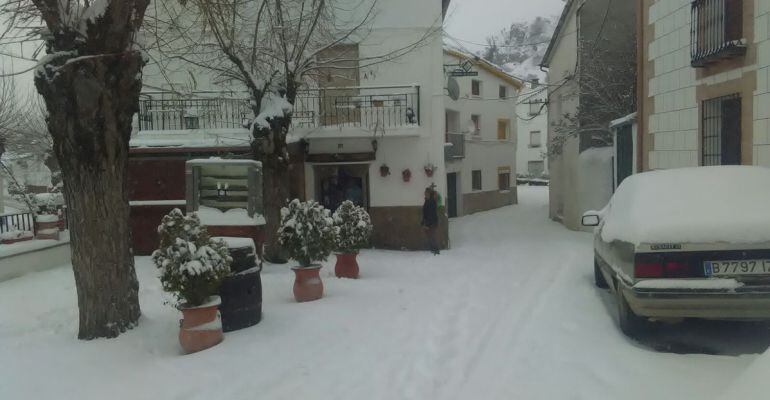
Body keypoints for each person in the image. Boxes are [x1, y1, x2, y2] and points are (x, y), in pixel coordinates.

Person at [421, 187, 440, 255]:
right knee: (429, 236)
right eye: (425, 193)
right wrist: (423, 221)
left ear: (429, 193)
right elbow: (425, 212)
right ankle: (433, 249)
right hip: (428, 222)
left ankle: (436, 250)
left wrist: (427, 223)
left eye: (426, 193)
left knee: (432, 236)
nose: (425, 194)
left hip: (432, 222)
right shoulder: (427, 200)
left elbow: (431, 213)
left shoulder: (432, 201)